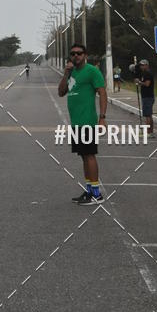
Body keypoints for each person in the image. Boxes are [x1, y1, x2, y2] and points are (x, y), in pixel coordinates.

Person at [57, 43, 107, 205]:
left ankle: (96, 194)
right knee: (84, 157)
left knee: (89, 155)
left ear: (85, 55)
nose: (76, 56)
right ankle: (89, 190)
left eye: (79, 53)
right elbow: (61, 92)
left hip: (87, 121)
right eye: (73, 54)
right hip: (76, 122)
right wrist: (66, 73)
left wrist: (102, 118)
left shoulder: (92, 71)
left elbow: (102, 93)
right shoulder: (72, 73)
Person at [135, 59, 155, 136]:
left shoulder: (148, 73)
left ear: (147, 65)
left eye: (143, 65)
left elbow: (147, 84)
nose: (141, 67)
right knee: (149, 115)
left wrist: (139, 82)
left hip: (148, 96)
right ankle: (150, 131)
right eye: (141, 65)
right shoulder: (144, 74)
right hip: (145, 96)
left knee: (147, 115)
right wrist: (138, 81)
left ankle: (148, 132)